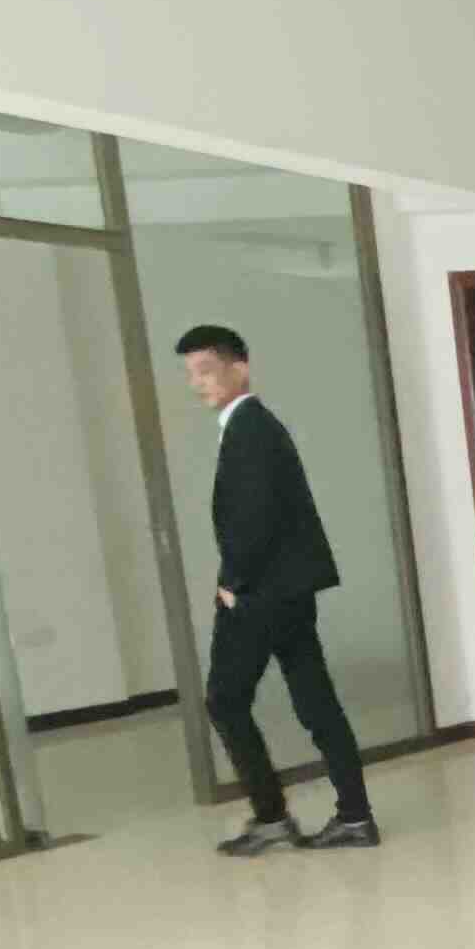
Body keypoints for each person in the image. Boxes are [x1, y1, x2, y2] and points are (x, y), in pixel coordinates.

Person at [176, 324, 376, 856]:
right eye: (191, 374)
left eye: (206, 371)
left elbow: (255, 517)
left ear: (240, 368)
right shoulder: (255, 426)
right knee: (316, 702)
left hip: (260, 595)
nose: (197, 383)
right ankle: (354, 816)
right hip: (288, 592)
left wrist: (231, 583)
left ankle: (271, 818)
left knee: (225, 700)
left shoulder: (250, 429)